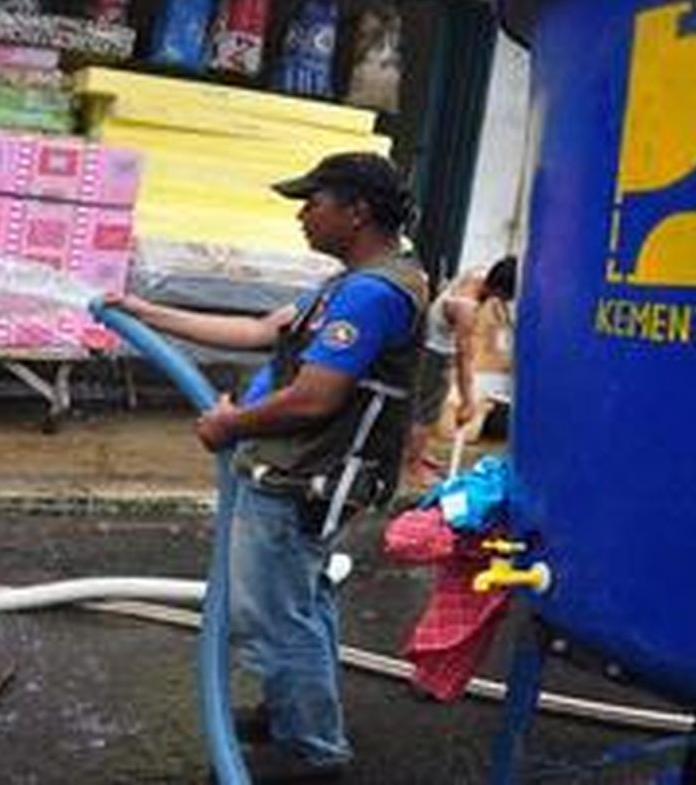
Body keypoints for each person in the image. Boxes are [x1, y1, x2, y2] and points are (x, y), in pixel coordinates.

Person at [109, 152, 428, 781]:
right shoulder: (355, 281)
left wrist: (231, 424)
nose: (303, 216)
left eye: (314, 202)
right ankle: (294, 711)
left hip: (301, 477)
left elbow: (316, 396)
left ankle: (313, 750)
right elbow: (261, 331)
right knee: (301, 602)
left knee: (273, 615)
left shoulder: (371, 292)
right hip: (300, 474)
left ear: (357, 211)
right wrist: (147, 313)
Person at [402, 256, 517, 489]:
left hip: (432, 342)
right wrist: (467, 401)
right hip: (434, 352)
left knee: (427, 408)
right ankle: (411, 468)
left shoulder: (479, 272)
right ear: (499, 289)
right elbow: (464, 358)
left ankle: (419, 454)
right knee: (426, 413)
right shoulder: (466, 307)